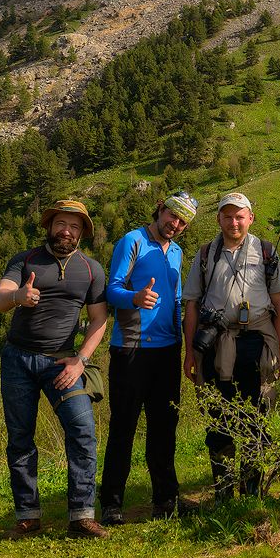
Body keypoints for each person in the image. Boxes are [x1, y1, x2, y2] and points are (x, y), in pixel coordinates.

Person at [0, 198, 110, 539]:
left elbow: (100, 320)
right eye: (61, 223)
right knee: (20, 439)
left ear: (82, 233)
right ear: (49, 226)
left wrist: (80, 360)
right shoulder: (24, 260)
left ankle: (82, 516)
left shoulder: (91, 270)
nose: (66, 231)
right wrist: (18, 297)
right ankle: (28, 517)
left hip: (63, 362)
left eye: (74, 226)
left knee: (83, 431)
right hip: (18, 360)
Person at [99, 191, 198, 525]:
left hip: (168, 351)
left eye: (183, 222)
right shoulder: (133, 240)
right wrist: (135, 297)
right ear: (160, 209)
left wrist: (186, 346)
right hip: (131, 348)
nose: (176, 224)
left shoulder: (178, 251)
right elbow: (111, 290)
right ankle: (111, 504)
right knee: (123, 426)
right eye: (172, 216)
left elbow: (178, 300)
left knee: (164, 428)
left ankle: (165, 501)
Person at [183, 192, 280, 497]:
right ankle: (224, 489)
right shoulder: (205, 255)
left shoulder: (266, 252)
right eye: (227, 216)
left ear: (250, 218)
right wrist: (190, 353)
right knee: (219, 417)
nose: (234, 222)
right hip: (216, 345)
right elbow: (191, 304)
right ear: (218, 219)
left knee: (256, 417)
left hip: (257, 343)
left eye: (240, 216)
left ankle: (252, 489)